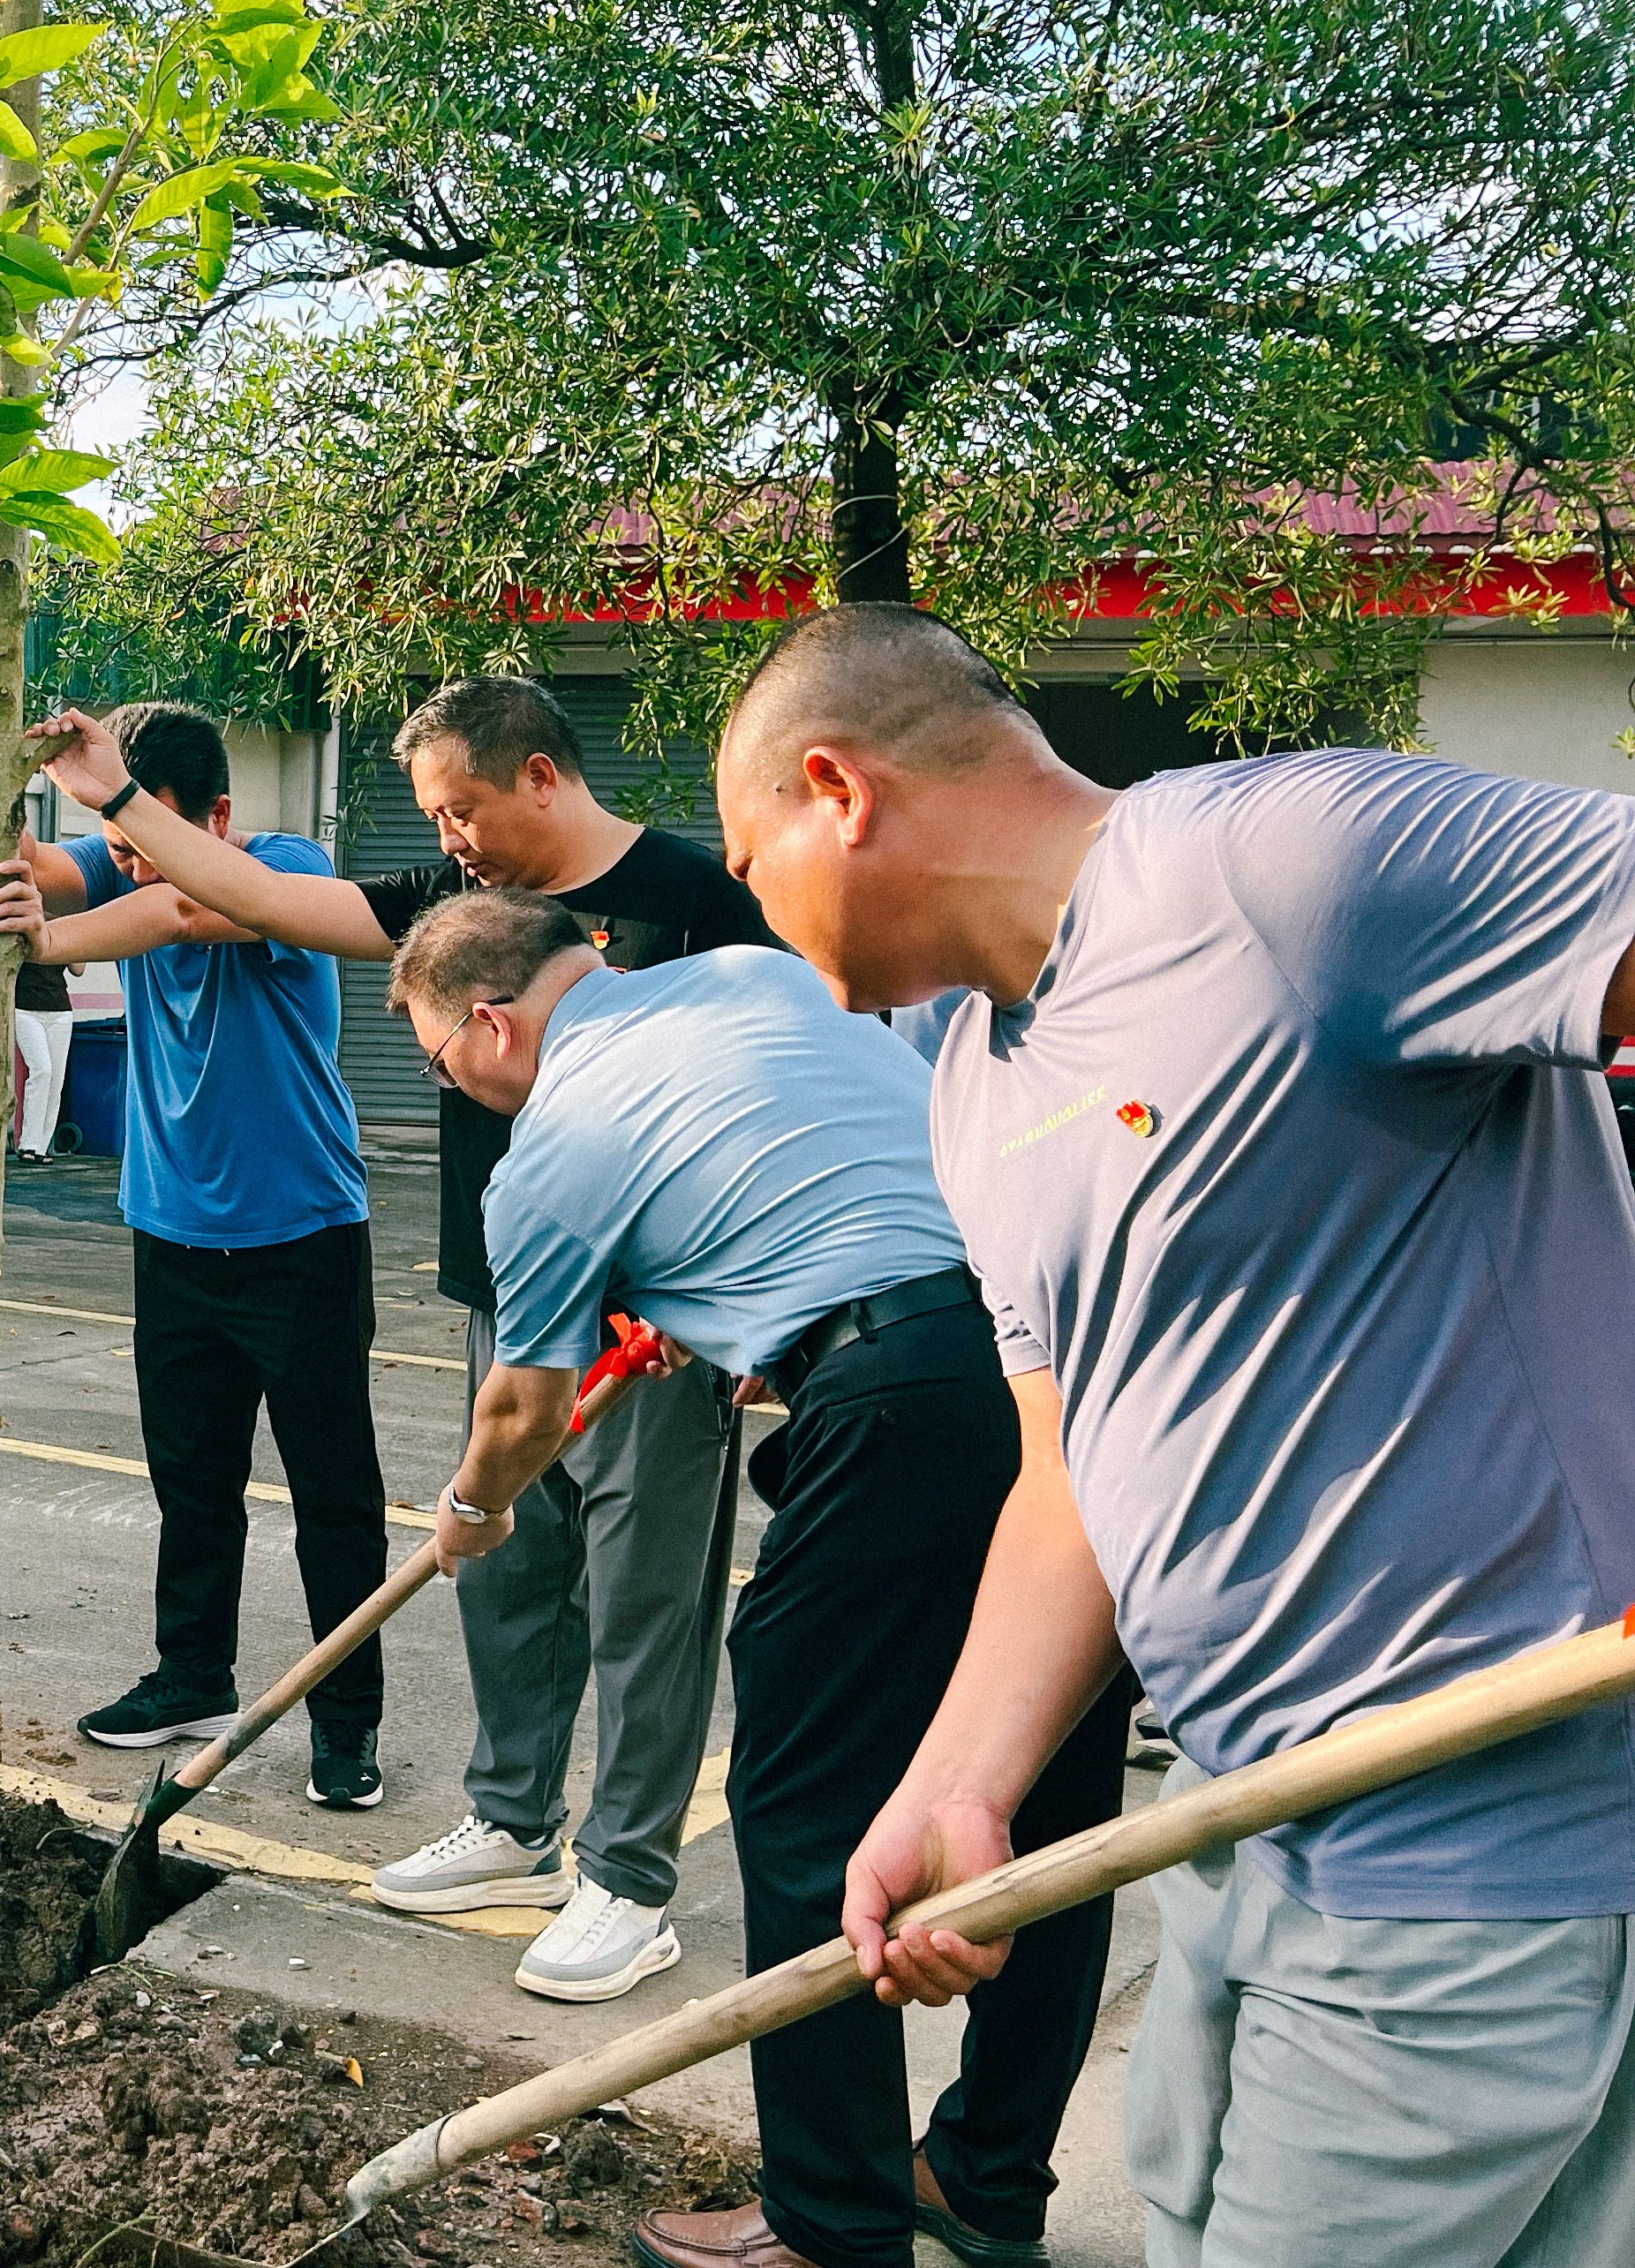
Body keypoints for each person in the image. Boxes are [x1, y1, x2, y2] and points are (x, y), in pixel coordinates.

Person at [717, 603, 1635, 2268]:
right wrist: (955, 1781)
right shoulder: (974, 1085)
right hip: (1237, 1818)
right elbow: (1071, 1473)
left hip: (1478, 1851)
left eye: (742, 855)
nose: (750, 912)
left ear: (832, 789)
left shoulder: (1286, 867)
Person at [394, 890, 1129, 2268]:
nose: (463, 1088)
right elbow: (821, 1167)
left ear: (490, 1021)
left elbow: (519, 1413)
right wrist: (718, 1297)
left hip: (892, 1399)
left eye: (442, 1065)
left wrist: (470, 1514)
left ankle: (830, 2225)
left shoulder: (546, 1147)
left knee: (797, 1800)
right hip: (1054, 1366)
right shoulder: (751, 977)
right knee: (1052, 1800)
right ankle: (983, 2176)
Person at [6, 682, 766, 2001]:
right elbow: (254, 899)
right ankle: (518, 1821)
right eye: (433, 818)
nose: (450, 838)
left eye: (461, 809)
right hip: (512, 1284)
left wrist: (756, 1298)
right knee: (506, 1568)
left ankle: (630, 1878)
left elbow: (778, 1076)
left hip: (659, 1310)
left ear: (539, 775)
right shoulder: (447, 900)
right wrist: (107, 801)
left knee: (642, 1600)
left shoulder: (695, 901)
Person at [0, 701, 390, 1811]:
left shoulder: (287, 869)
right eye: (119, 841)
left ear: (217, 815)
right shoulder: (121, 855)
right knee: (192, 1489)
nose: (126, 858)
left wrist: (52, 940)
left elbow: (184, 908)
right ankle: (193, 1676)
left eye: (149, 832)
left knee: (333, 1502)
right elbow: (51, 862)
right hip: (174, 1239)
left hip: (302, 1236)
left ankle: (346, 1725)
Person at [11, 947, 83, 1163]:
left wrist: (78, 939)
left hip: (59, 1009)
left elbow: (78, 970)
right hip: (25, 1008)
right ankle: (28, 1145)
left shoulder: (62, 927)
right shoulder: (22, 926)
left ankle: (41, 1147)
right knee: (42, 1070)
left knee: (55, 1079)